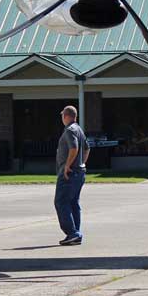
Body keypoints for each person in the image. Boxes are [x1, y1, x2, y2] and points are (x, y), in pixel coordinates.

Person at [54, 105, 88, 245]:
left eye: (63, 115)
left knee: (61, 202)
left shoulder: (69, 130)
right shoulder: (79, 129)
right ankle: (75, 234)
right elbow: (87, 148)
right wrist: (82, 163)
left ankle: (72, 233)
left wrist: (68, 165)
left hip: (69, 173)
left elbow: (74, 148)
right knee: (73, 203)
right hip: (79, 172)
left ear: (66, 116)